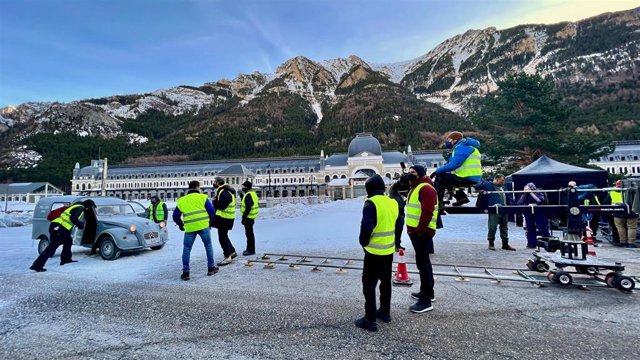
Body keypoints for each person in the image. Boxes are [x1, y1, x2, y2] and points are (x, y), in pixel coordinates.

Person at [354, 174, 401, 332]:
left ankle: (370, 319)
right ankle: (385, 313)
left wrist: (363, 242)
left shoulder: (370, 203)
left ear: (369, 190)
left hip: (373, 251)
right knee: (386, 283)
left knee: (369, 285)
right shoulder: (392, 203)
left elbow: (366, 228)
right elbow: (399, 223)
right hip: (388, 250)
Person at [406, 165, 438, 313]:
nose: (410, 174)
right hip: (417, 232)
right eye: (409, 172)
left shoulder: (425, 188)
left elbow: (427, 211)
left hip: (422, 233)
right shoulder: (417, 186)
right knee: (424, 262)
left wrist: (419, 231)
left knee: (423, 264)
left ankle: (425, 301)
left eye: (413, 172)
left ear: (420, 174)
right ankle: (428, 292)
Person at [30, 199, 95, 272]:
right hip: (59, 227)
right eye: (90, 207)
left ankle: (66, 259)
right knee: (52, 247)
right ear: (88, 206)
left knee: (68, 241)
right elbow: (73, 218)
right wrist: (80, 225)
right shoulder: (80, 207)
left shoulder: (76, 206)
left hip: (62, 228)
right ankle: (37, 265)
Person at [173, 180, 218, 281]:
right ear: (197, 187)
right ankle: (211, 268)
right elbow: (212, 212)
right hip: (203, 226)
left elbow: (175, 216)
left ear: (189, 188)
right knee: (208, 246)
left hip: (189, 228)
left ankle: (186, 273)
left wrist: (181, 225)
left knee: (187, 249)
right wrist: (209, 223)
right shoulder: (203, 197)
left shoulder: (182, 200)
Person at [430, 131, 482, 207]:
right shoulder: (467, 147)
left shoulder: (461, 147)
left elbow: (454, 164)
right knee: (447, 178)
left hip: (467, 176)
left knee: (441, 177)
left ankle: (438, 201)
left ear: (455, 140)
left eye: (449, 140)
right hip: (472, 176)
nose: (448, 142)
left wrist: (437, 171)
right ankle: (461, 198)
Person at [475, 174, 515, 251]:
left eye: (503, 180)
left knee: (504, 228)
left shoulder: (503, 187)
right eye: (502, 180)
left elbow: (508, 197)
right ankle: (491, 243)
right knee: (492, 227)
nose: (503, 182)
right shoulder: (489, 185)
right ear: (496, 179)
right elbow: (477, 187)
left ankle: (505, 244)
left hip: (504, 209)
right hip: (494, 210)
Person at [212, 176, 238, 265]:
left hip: (224, 217)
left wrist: (214, 202)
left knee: (222, 237)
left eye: (214, 182)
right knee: (224, 235)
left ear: (218, 182)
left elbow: (222, 205)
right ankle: (232, 251)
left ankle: (227, 257)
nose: (213, 183)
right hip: (228, 217)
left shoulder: (223, 191)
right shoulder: (228, 190)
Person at [517, 182, 550, 248]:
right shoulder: (525, 194)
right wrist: (524, 193)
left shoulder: (538, 191)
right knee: (530, 228)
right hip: (528, 211)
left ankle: (549, 243)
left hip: (538, 211)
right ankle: (531, 244)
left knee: (542, 227)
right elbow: (519, 203)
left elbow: (539, 200)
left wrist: (531, 193)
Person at [610, 180, 638, 248]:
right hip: (631, 210)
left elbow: (606, 201)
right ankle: (631, 243)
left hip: (617, 211)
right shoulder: (632, 190)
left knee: (620, 227)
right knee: (631, 227)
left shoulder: (611, 191)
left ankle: (623, 242)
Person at [240, 180, 259, 256]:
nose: (242, 188)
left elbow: (248, 207)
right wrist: (242, 196)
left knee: (249, 234)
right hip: (251, 217)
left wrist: (244, 218)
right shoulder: (252, 193)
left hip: (248, 217)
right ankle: (249, 249)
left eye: (243, 186)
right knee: (249, 234)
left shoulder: (248, 195)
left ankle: (251, 250)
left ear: (246, 187)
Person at [388, 180, 406, 251]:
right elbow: (398, 206)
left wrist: (405, 202)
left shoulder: (397, 195)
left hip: (400, 216)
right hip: (397, 217)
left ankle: (398, 244)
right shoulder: (392, 195)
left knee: (399, 231)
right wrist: (399, 181)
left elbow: (401, 205)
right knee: (397, 232)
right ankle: (396, 246)